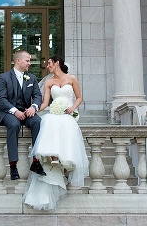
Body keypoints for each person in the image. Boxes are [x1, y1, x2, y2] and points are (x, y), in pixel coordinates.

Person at [23, 55, 89, 210]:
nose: (48, 66)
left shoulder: (72, 79)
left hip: (69, 112)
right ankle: (53, 156)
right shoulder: (49, 82)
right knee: (49, 121)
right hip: (54, 112)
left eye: (49, 64)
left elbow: (79, 97)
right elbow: (45, 103)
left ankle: (63, 158)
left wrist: (72, 108)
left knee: (65, 122)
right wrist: (34, 109)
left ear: (57, 63)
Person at [0, 50, 46, 180]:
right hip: (9, 112)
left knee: (38, 122)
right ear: (18, 61)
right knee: (13, 124)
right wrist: (15, 111)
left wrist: (33, 107)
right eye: (28, 60)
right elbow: (2, 100)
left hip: (26, 111)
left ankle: (36, 161)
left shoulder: (32, 78)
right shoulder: (4, 77)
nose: (30, 63)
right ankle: (13, 165)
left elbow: (37, 96)